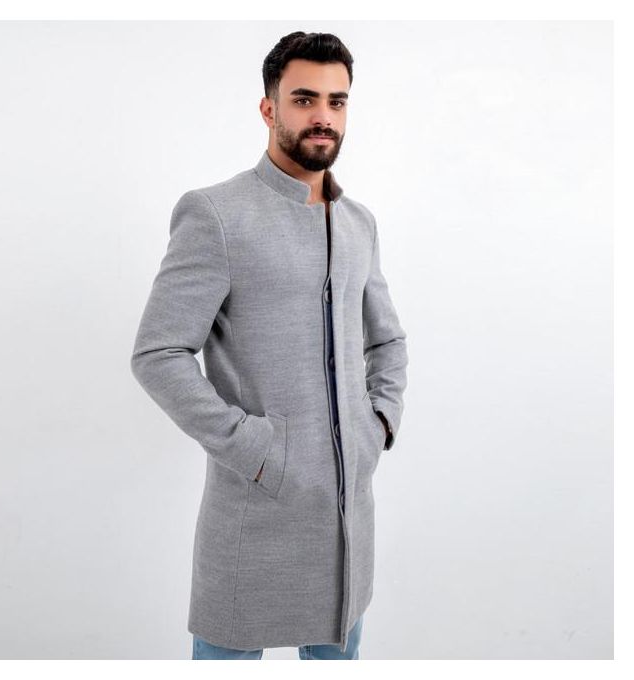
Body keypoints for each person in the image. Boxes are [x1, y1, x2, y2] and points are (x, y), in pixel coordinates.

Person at [130, 31, 408, 660]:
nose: (322, 116)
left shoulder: (359, 222)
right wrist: (256, 447)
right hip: (254, 513)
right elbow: (158, 354)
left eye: (337, 101)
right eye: (304, 99)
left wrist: (378, 424)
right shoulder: (216, 214)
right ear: (269, 108)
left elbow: (388, 339)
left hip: (347, 523)